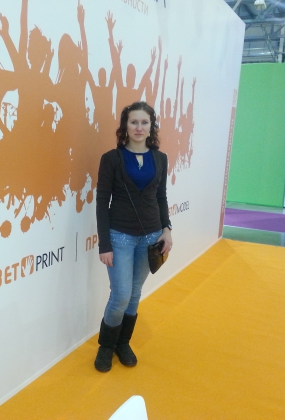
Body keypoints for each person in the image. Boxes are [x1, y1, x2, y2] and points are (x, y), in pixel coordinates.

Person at [94, 101, 173, 372]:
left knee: (135, 293)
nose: (139, 127)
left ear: (151, 127)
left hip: (151, 236)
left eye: (144, 122)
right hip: (120, 236)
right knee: (120, 295)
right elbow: (102, 202)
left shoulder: (160, 158)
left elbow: (161, 197)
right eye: (134, 122)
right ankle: (106, 347)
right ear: (125, 126)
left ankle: (123, 343)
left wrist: (167, 229)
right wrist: (104, 244)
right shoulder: (111, 159)